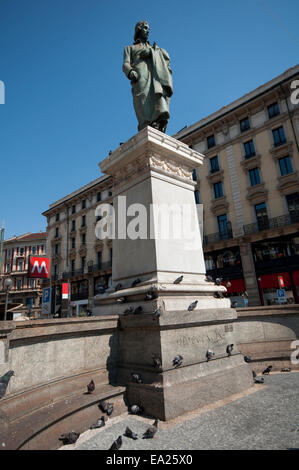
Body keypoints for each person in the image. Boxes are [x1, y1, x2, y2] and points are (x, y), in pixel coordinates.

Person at [123, 21, 173, 133]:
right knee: (142, 99)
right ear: (139, 30)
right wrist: (130, 71)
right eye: (145, 28)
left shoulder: (154, 48)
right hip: (140, 76)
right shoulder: (129, 48)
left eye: (148, 29)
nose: (148, 30)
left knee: (157, 97)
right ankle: (146, 124)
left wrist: (151, 52)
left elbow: (165, 58)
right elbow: (125, 63)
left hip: (154, 76)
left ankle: (157, 122)